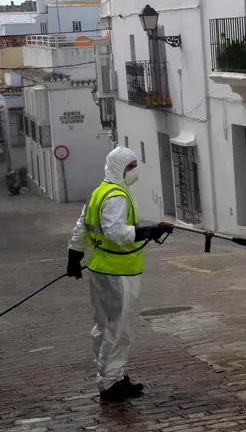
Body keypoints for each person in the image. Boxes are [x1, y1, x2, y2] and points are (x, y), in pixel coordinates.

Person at [66, 146, 173, 403]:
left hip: (101, 269)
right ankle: (110, 383)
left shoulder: (100, 192)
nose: (134, 171)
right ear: (118, 168)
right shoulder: (116, 196)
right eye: (130, 166)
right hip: (119, 272)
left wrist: (74, 254)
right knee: (120, 329)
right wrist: (146, 232)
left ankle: (111, 374)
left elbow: (82, 226)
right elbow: (116, 232)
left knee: (105, 327)